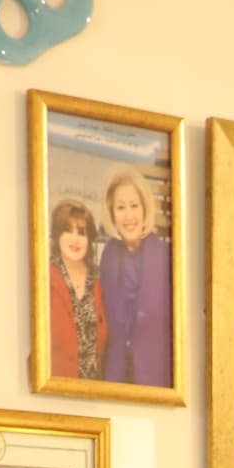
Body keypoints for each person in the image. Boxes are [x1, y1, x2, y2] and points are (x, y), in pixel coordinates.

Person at [96, 164, 174, 389]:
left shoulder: (166, 256)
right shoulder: (108, 254)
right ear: (112, 213)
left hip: (156, 375)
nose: (128, 216)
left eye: (134, 206)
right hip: (116, 373)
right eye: (121, 207)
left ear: (144, 209)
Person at [45, 196, 104, 380]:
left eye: (81, 232)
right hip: (56, 388)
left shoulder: (99, 280)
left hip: (95, 389)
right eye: (67, 230)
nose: (75, 239)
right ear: (57, 236)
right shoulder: (45, 278)